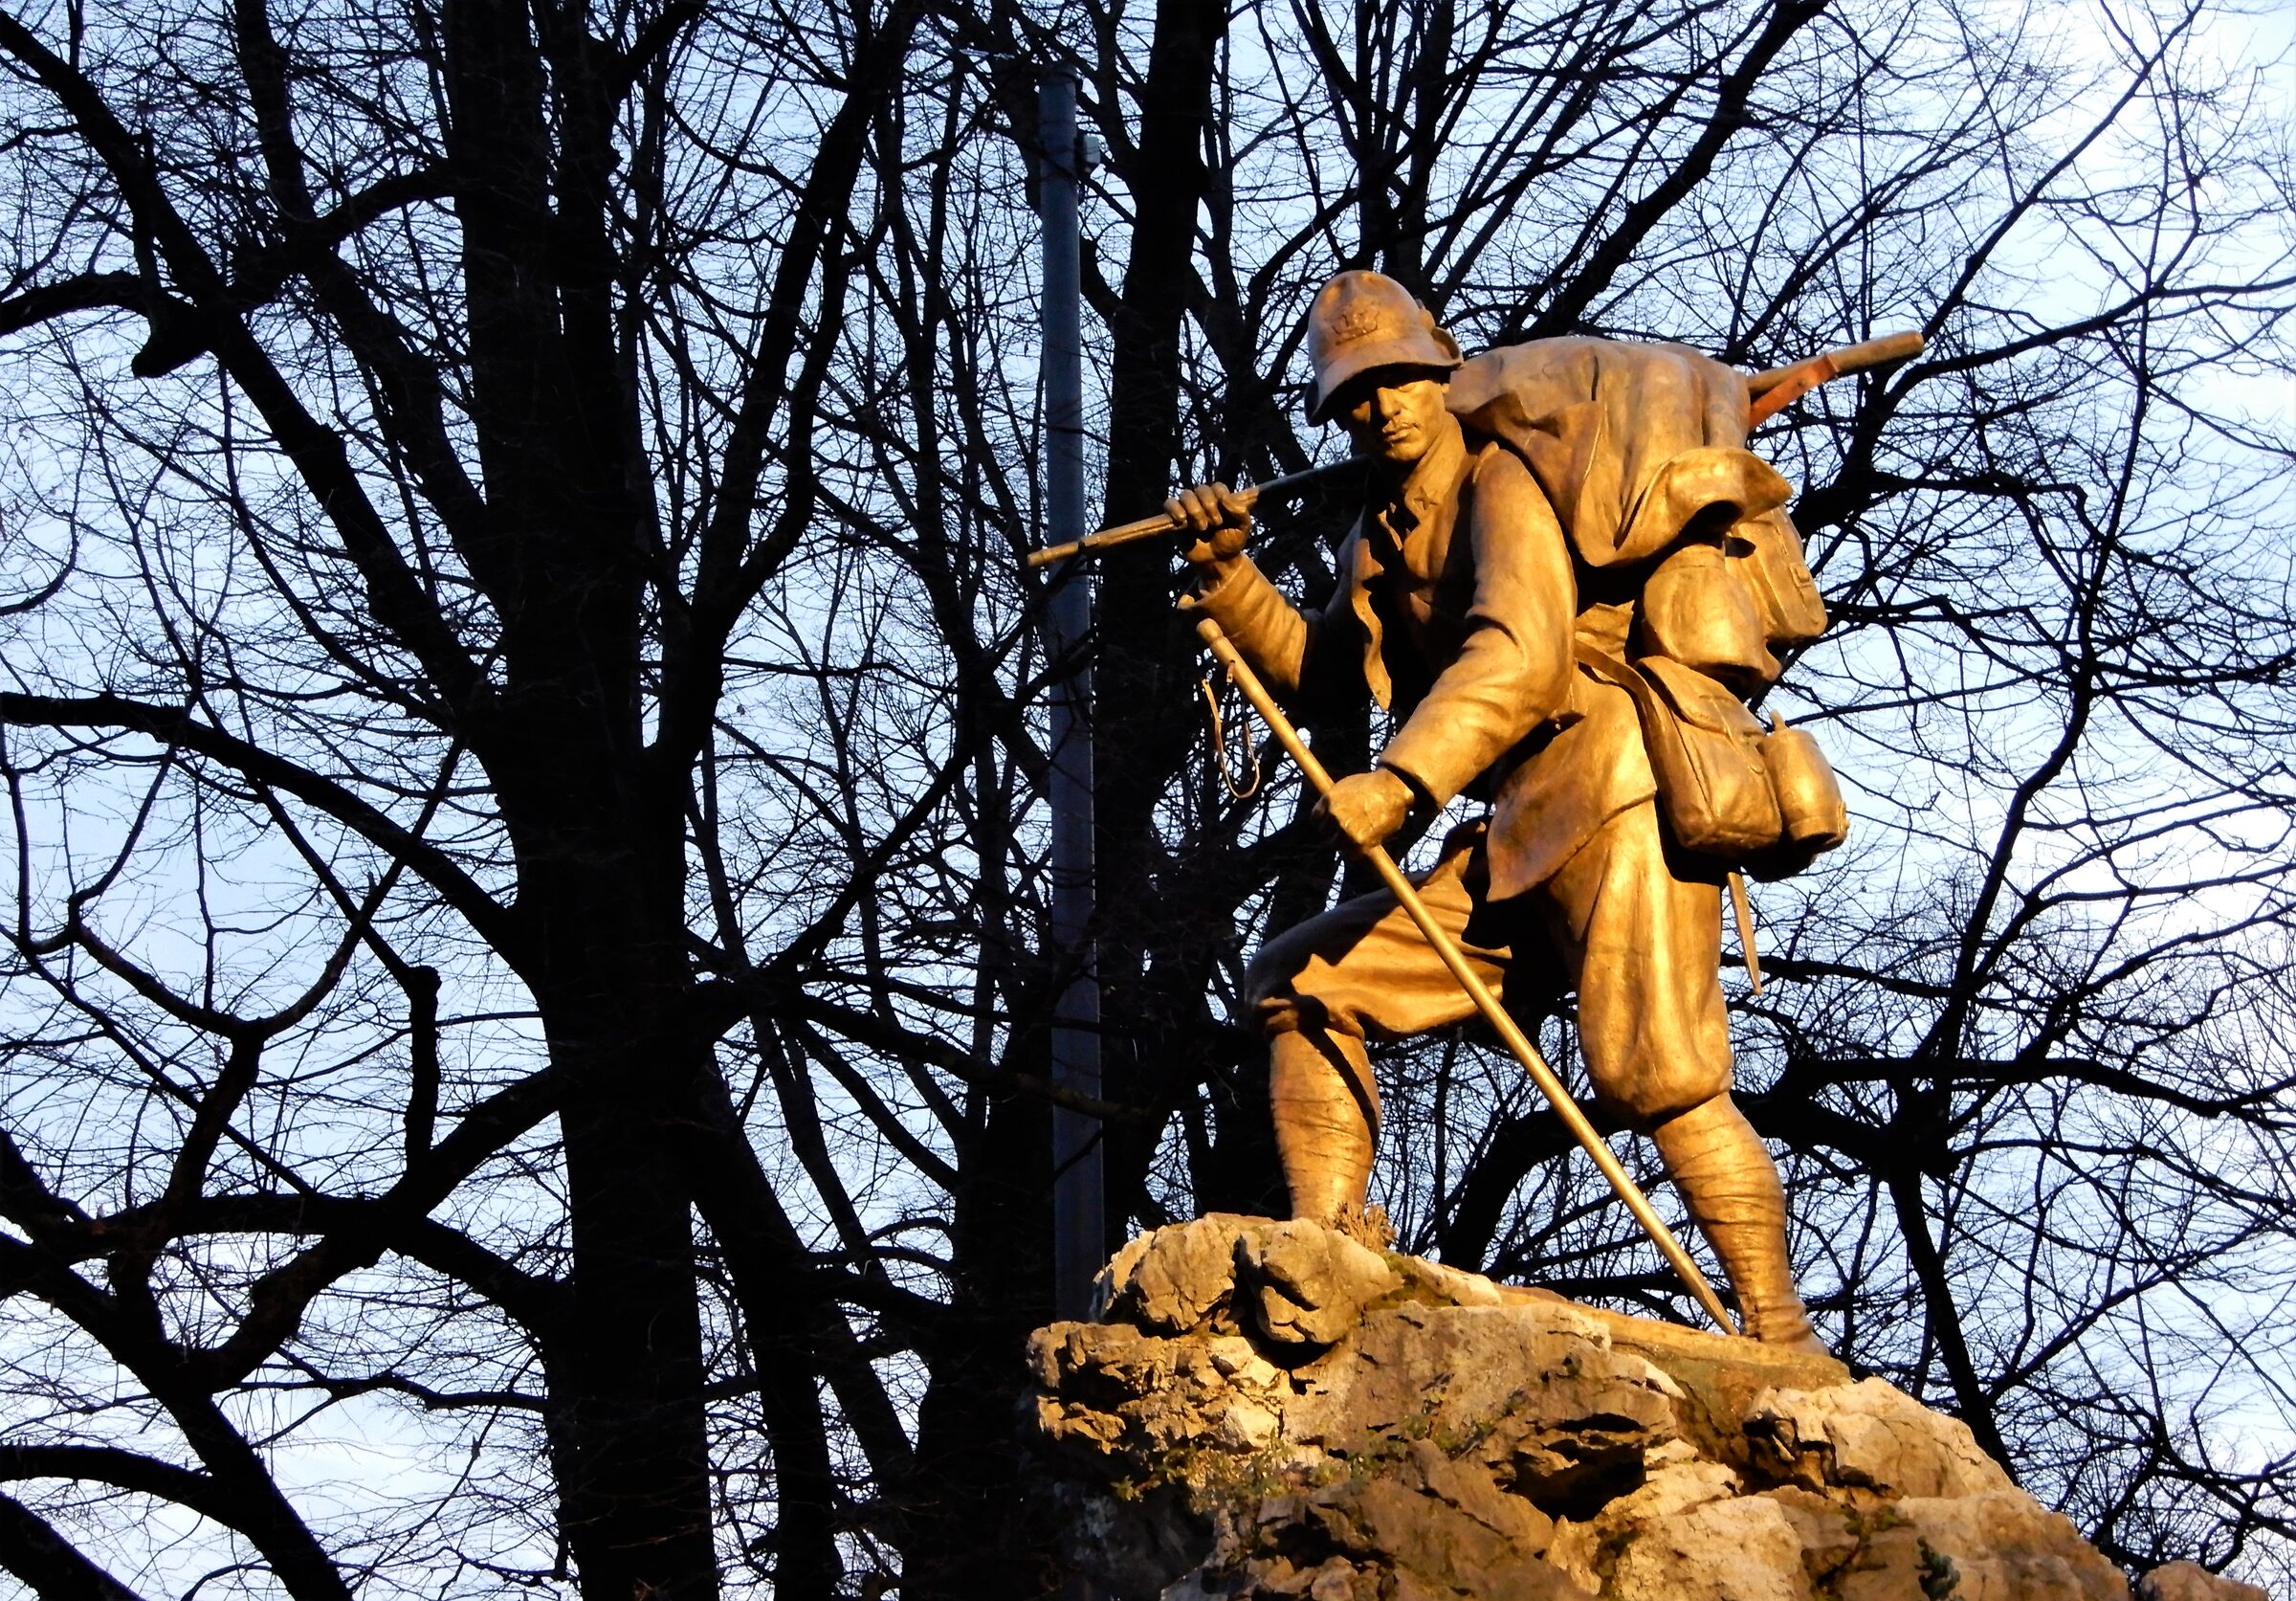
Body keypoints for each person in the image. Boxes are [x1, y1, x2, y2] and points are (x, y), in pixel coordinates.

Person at [1167, 269, 1820, 1348]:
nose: (1381, 407)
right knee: (1302, 983)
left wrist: (1402, 782)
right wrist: (1230, 578)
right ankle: (1325, 1249)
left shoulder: (1501, 480)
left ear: (1441, 371)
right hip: (1519, 831)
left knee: (1657, 1070)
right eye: (1354, 395)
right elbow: (1328, 677)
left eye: (1397, 379)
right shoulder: (1377, 535)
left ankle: (1782, 1331)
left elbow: (1518, 653)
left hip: (1610, 786)